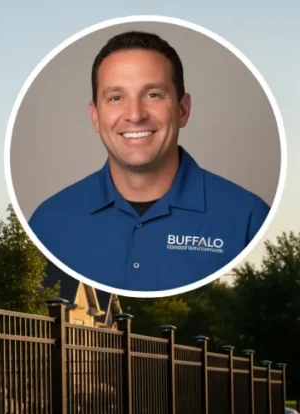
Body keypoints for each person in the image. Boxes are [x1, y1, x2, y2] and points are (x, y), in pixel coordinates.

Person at [28, 30, 270, 292]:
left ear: (183, 109)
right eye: (116, 98)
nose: (135, 115)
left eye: (153, 94)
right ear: (95, 116)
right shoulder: (48, 223)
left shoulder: (249, 219)